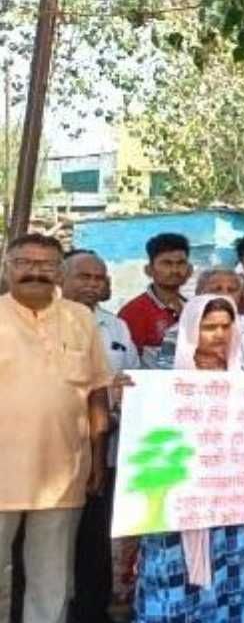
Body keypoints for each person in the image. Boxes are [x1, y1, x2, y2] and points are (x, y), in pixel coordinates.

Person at [133, 295, 244, 622]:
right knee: (171, 577)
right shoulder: (163, 378)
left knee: (229, 574)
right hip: (176, 503)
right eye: (208, 327)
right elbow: (142, 432)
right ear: (189, 330)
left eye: (225, 326)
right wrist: (126, 394)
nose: (218, 334)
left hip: (230, 502)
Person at [0, 234, 111, 623]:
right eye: (24, 263)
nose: (35, 272)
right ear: (7, 268)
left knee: (52, 582)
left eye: (46, 265)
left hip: (64, 475)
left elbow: (97, 391)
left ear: (60, 272)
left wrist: (98, 459)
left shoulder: (80, 318)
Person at [60, 251, 139, 623]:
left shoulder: (116, 327)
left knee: (95, 537)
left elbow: (134, 379)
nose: (92, 284)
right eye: (83, 276)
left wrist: (125, 395)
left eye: (99, 278)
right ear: (62, 277)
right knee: (51, 541)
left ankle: (92, 611)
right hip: (55, 450)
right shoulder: (45, 324)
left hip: (104, 448)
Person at [158, 268, 244, 371]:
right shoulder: (178, 333)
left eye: (232, 290)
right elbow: (163, 380)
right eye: (216, 289)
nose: (224, 295)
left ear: (242, 296)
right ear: (199, 293)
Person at [119, 232, 192, 365]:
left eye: (181, 263)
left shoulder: (193, 308)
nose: (175, 270)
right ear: (149, 270)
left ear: (189, 270)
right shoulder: (133, 312)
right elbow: (128, 363)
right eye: (167, 263)